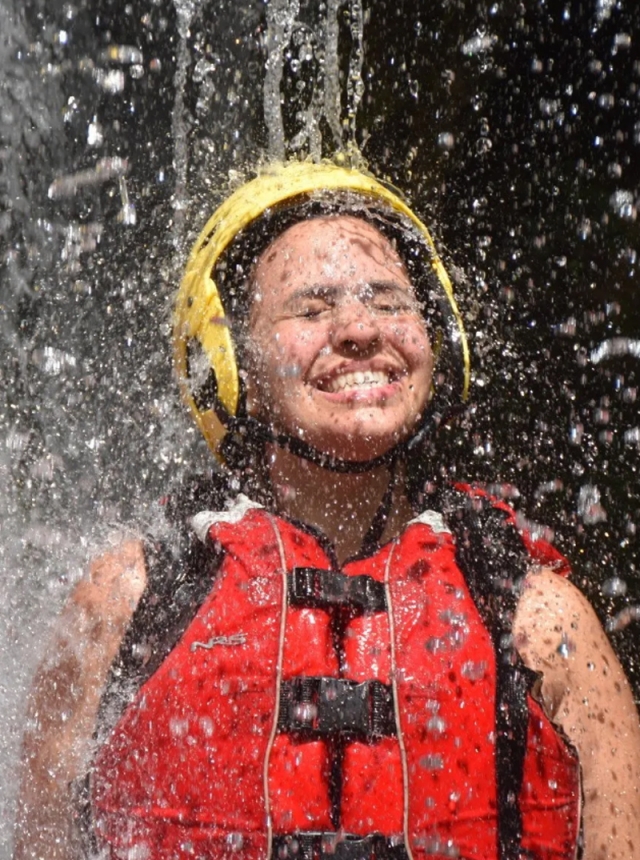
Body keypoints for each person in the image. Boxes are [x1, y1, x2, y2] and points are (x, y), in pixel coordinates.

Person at [14, 161, 640, 860]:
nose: (359, 330)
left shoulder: (543, 622)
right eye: (311, 310)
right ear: (228, 359)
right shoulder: (129, 597)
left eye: (390, 302)